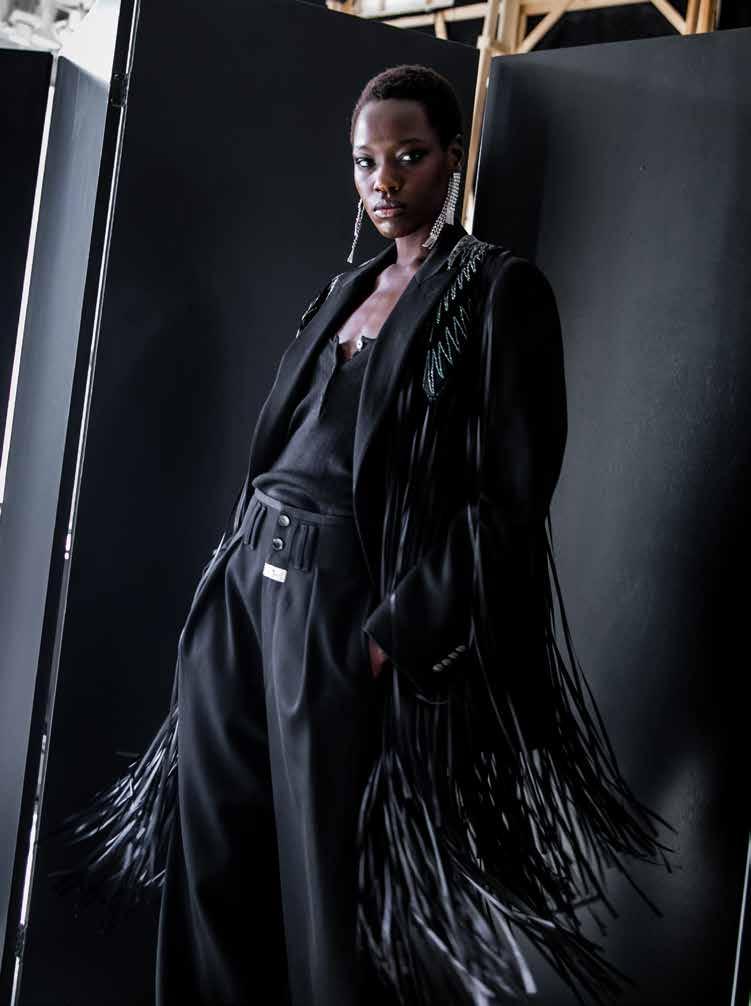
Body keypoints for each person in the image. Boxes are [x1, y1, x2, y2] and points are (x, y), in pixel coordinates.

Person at [49, 64, 673, 1006]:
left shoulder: (498, 291)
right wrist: (234, 575)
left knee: (324, 893)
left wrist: (393, 634)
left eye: (408, 157)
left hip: (341, 605)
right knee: (214, 866)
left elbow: (509, 498)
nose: (383, 181)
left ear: (452, 158)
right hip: (243, 593)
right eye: (364, 162)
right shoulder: (348, 285)